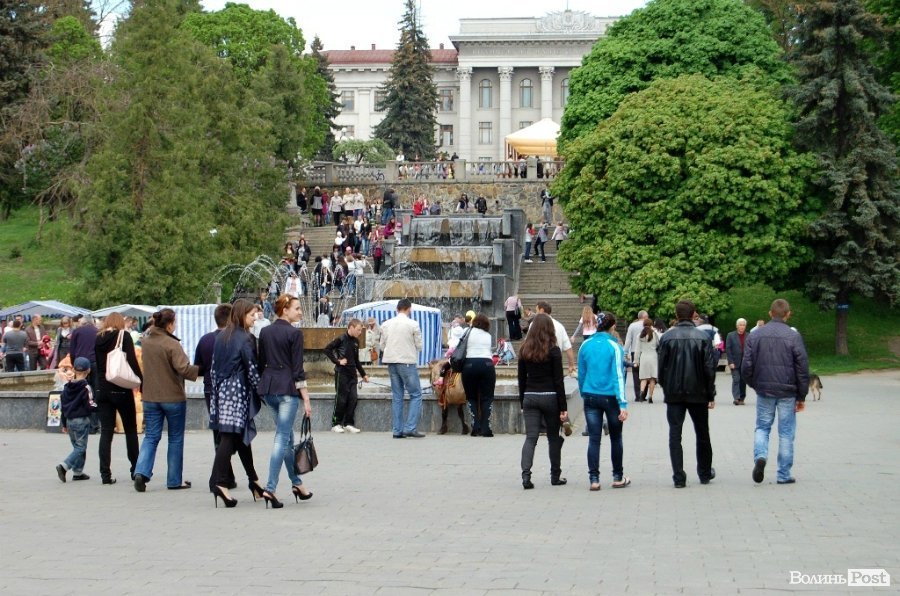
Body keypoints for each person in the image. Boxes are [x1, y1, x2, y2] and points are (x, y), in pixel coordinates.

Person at [742, 299, 809, 485]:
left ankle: (760, 457)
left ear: (770, 313)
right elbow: (802, 368)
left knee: (762, 427)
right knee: (786, 432)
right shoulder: (793, 336)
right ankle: (783, 474)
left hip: (764, 390)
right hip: (788, 391)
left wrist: (755, 384)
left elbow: (746, 366)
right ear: (788, 314)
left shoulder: (755, 335)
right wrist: (801, 395)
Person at [133, 308, 199, 492]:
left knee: (151, 436)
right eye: (174, 322)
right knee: (175, 438)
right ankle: (174, 480)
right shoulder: (172, 344)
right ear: (169, 324)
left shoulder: (146, 341)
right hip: (172, 397)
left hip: (150, 396)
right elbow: (183, 368)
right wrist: (200, 369)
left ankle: (141, 472)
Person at [258, 295, 314, 508]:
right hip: (287, 391)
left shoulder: (265, 332)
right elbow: (298, 369)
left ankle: (297, 484)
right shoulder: (294, 333)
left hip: (269, 389)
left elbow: (261, 362)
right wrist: (306, 398)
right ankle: (270, 488)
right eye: (297, 308)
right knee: (282, 439)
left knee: (288, 439)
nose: (300, 312)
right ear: (285, 310)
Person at [209, 299, 264, 508]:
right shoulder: (246, 338)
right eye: (251, 315)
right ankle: (219, 482)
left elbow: (213, 368)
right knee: (230, 436)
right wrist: (262, 391)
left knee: (240, 436)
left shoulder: (221, 336)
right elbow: (251, 368)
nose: (255, 318)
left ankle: (254, 480)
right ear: (242, 315)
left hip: (221, 391)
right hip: (238, 391)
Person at [657, 300, 718, 488]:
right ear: (694, 315)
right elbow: (709, 369)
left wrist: (666, 387)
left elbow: (661, 368)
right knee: (702, 433)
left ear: (676, 315)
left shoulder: (667, 338)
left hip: (674, 393)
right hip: (698, 392)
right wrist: (711, 394)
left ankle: (679, 477)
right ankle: (704, 472)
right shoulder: (703, 337)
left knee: (675, 434)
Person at [577, 312, 630, 491]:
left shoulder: (585, 345)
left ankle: (594, 479)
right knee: (616, 437)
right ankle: (617, 477)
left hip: (590, 395)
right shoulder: (614, 347)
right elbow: (618, 376)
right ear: (612, 326)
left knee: (594, 439)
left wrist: (584, 393)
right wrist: (623, 404)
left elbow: (581, 373)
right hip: (611, 397)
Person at [518, 314, 568, 489]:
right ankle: (555, 476)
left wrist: (522, 402)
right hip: (550, 396)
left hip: (530, 396)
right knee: (553, 438)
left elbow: (521, 379)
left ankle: (526, 477)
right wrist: (563, 407)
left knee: (530, 438)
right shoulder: (554, 350)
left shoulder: (524, 350)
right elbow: (559, 380)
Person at [94, 312, 143, 485]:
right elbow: (132, 361)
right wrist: (140, 380)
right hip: (121, 388)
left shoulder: (98, 338)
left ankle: (105, 474)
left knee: (106, 432)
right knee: (130, 430)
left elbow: (98, 364)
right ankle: (135, 469)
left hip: (103, 388)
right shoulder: (124, 335)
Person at [194, 303, 236, 490]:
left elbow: (199, 367)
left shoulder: (205, 340)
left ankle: (226, 476)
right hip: (231, 390)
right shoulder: (234, 339)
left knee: (218, 433)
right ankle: (220, 477)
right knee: (230, 434)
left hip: (210, 389)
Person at [379, 298, 425, 438]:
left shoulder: (386, 324)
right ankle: (410, 427)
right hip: (407, 361)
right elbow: (419, 345)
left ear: (397, 309)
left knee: (397, 396)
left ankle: (397, 430)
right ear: (409, 309)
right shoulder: (413, 324)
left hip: (391, 362)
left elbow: (382, 346)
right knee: (416, 394)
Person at [55, 357, 97, 483]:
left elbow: (63, 407)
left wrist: (64, 423)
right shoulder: (86, 387)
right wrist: (99, 407)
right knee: (81, 447)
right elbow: (89, 405)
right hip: (81, 420)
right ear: (88, 370)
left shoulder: (67, 387)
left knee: (76, 447)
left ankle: (78, 472)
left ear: (73, 370)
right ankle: (64, 466)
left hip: (69, 420)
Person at [324, 318, 369, 433]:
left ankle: (348, 423)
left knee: (353, 399)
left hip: (352, 375)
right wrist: (337, 361)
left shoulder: (356, 342)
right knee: (341, 399)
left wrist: (363, 374)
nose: (360, 332)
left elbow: (356, 360)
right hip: (341, 373)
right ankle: (335, 423)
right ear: (351, 328)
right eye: (358, 330)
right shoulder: (341, 339)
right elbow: (327, 349)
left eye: (361, 330)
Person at [461, 314, 496, 437]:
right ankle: (486, 428)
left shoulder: (467, 332)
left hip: (470, 365)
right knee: (487, 397)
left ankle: (475, 427)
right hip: (487, 364)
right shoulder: (488, 335)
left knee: (471, 397)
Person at [68, 314, 99, 433]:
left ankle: (81, 420)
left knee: (81, 390)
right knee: (95, 391)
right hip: (95, 363)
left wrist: (74, 364)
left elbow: (72, 350)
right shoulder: (98, 331)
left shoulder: (77, 331)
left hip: (80, 363)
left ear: (83, 322)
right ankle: (94, 424)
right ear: (92, 322)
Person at [535, 301, 575, 376]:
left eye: (536, 311)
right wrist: (571, 365)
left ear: (541, 310)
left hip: (538, 365)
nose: (535, 313)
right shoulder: (559, 326)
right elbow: (568, 348)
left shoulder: (533, 325)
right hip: (556, 365)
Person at [623, 310, 649, 402]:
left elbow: (628, 340)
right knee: (645, 373)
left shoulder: (632, 326)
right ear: (645, 317)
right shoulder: (648, 326)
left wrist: (625, 352)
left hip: (635, 351)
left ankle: (638, 395)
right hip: (646, 351)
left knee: (636, 373)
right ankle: (644, 394)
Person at [634, 318, 660, 404]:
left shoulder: (640, 335)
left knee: (643, 378)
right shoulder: (654, 334)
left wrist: (636, 361)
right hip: (653, 357)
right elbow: (658, 344)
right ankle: (650, 397)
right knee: (652, 378)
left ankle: (641, 393)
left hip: (644, 357)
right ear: (651, 325)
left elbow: (637, 349)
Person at [725, 318, 749, 405]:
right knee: (736, 379)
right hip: (734, 362)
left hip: (745, 362)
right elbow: (728, 349)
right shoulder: (730, 335)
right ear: (737, 326)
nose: (742, 327)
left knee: (743, 381)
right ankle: (736, 398)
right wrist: (730, 362)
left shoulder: (749, 336)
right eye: (740, 325)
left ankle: (742, 398)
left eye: (743, 325)